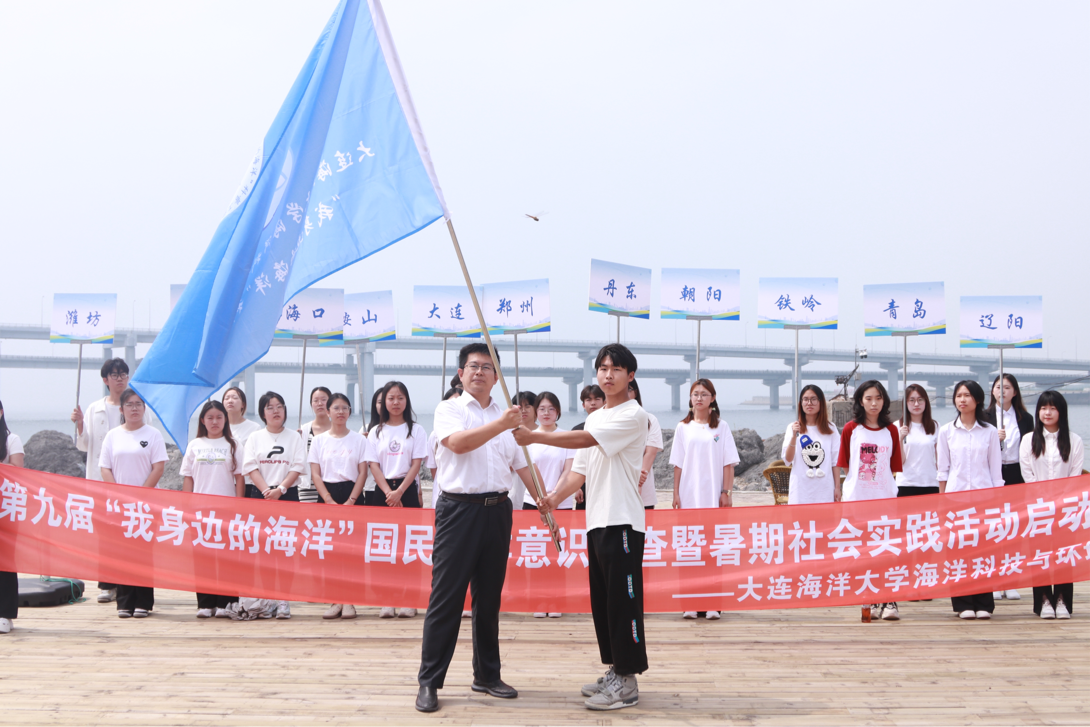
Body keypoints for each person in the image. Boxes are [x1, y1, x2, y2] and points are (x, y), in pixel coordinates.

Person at [517, 343, 649, 711]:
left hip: (623, 521)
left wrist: (534, 435)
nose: (608, 375)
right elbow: (580, 470)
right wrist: (553, 498)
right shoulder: (594, 418)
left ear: (630, 375)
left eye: (616, 369)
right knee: (603, 602)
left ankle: (628, 681)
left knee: (623, 603)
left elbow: (585, 440)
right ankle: (615, 669)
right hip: (597, 520)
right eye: (603, 368)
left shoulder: (634, 414)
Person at [415, 344, 537, 713]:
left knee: (489, 599)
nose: (480, 372)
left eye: (487, 367)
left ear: (496, 376)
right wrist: (502, 425)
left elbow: (522, 465)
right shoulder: (450, 409)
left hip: (498, 510)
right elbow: (458, 444)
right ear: (461, 373)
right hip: (459, 511)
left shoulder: (505, 414)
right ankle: (429, 681)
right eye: (473, 366)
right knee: (447, 598)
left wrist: (544, 500)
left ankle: (487, 675)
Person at [669, 378, 739, 620]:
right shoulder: (682, 427)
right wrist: (675, 492)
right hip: (689, 496)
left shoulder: (722, 427)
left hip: (713, 496)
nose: (699, 398)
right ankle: (690, 603)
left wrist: (726, 492)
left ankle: (712, 604)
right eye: (695, 394)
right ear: (690, 398)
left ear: (713, 398)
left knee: (713, 549)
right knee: (689, 549)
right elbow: (678, 464)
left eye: (704, 394)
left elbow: (728, 463)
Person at [836, 380, 904, 620]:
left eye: (878, 398)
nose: (874, 403)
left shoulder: (891, 431)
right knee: (864, 551)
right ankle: (871, 600)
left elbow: (894, 465)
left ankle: (890, 601)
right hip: (858, 500)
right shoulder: (851, 429)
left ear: (884, 401)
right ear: (860, 401)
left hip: (884, 499)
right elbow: (845, 464)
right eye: (868, 398)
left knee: (886, 550)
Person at [99, 389, 167, 619]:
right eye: (129, 404)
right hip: (119, 505)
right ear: (121, 409)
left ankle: (143, 602)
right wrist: (119, 494)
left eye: (139, 404)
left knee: (143, 553)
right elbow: (105, 468)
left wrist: (141, 494)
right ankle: (124, 602)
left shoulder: (153, 434)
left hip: (146, 505)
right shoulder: (113, 435)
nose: (134, 408)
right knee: (122, 553)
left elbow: (158, 467)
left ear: (144, 408)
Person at [938, 380, 1003, 621]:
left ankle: (984, 602)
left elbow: (996, 472)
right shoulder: (946, 431)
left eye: (967, 395)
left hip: (984, 500)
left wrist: (998, 503)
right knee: (958, 552)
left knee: (984, 552)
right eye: (958, 395)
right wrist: (942, 502)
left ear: (978, 399)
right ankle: (963, 603)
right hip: (955, 500)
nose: (962, 400)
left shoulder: (990, 432)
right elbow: (943, 470)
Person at [1020, 390, 1084, 620]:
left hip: (1066, 509)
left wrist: (1060, 501)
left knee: (1065, 555)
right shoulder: (1029, 440)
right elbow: (1027, 474)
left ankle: (1062, 600)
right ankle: (1044, 600)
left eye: (1052, 408)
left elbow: (1075, 475)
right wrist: (1043, 500)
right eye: (1043, 408)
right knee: (1041, 555)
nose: (1047, 413)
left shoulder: (1074, 440)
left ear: (1061, 412)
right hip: (1038, 508)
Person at [366, 381, 427, 620]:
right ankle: (386, 599)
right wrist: (388, 493)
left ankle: (409, 599)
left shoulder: (416, 430)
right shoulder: (376, 431)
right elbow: (373, 465)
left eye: (400, 398)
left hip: (406, 490)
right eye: (391, 398)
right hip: (382, 491)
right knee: (384, 547)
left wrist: (400, 491)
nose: (395, 402)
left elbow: (416, 464)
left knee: (408, 547)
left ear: (406, 401)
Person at [242, 391, 306, 620]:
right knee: (264, 550)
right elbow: (250, 467)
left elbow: (298, 466)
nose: (275, 411)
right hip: (261, 496)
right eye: (270, 407)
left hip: (287, 496)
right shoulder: (255, 437)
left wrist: (281, 489)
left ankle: (283, 600)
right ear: (263, 413)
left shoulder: (294, 437)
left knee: (285, 550)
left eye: (279, 406)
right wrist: (267, 491)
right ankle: (267, 599)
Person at [71, 357, 129, 603]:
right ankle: (107, 584)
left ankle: (129, 585)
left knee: (128, 532)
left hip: (127, 482)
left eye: (123, 374)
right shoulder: (95, 408)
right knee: (105, 534)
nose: (119, 379)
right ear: (105, 380)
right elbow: (84, 445)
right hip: (100, 480)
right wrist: (80, 425)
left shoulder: (135, 406)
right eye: (114, 375)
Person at [181, 401, 245, 619]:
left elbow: (239, 478)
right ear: (202, 420)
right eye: (210, 417)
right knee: (203, 558)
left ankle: (226, 602)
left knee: (228, 558)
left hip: (227, 511)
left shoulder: (233, 445)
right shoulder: (194, 445)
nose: (215, 421)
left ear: (225, 419)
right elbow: (188, 478)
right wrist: (187, 507)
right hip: (200, 511)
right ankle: (205, 603)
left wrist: (239, 506)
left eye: (219, 417)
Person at [308, 393, 368, 620]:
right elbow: (315, 473)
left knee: (351, 552)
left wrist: (351, 500)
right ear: (328, 411)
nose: (340, 412)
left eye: (345, 408)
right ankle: (335, 600)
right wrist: (328, 499)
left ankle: (350, 600)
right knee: (329, 552)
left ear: (350, 412)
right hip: (327, 496)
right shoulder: (319, 440)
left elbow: (363, 472)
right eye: (336, 408)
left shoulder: (359, 440)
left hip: (352, 494)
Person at [522, 391, 575, 619]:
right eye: (542, 409)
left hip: (561, 501)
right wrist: (541, 498)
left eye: (551, 409)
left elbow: (569, 470)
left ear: (558, 412)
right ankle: (538, 599)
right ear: (536, 412)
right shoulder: (528, 438)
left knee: (557, 552)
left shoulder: (566, 437)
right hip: (532, 501)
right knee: (536, 552)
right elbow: (528, 471)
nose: (546, 413)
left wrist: (554, 496)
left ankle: (556, 600)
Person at [983, 374, 1033, 602]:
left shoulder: (1025, 418)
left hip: (1016, 474)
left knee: (1013, 529)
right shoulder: (984, 417)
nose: (1002, 391)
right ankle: (993, 581)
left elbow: (1031, 449)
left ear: (1015, 392)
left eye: (1007, 387)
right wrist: (994, 437)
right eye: (998, 387)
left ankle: (1011, 580)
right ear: (992, 391)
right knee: (993, 528)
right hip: (992, 474)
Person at [781, 385, 841, 504]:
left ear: (820, 402)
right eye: (805, 399)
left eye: (813, 399)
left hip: (824, 490)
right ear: (801, 403)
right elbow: (787, 460)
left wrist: (837, 487)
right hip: (800, 491)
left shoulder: (831, 428)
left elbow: (835, 461)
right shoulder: (792, 427)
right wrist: (794, 436)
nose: (809, 403)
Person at [0, 400, 23, 634]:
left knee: (5, 562)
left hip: (5, 511)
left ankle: (5, 613)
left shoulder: (11, 440)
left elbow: (18, 473)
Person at [895, 385, 939, 498]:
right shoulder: (897, 426)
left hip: (930, 483)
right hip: (905, 484)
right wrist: (900, 439)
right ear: (905, 403)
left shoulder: (935, 426)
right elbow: (900, 462)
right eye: (912, 400)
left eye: (920, 400)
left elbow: (940, 459)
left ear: (926, 402)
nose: (916, 404)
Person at [627, 380, 663, 511]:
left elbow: (650, 452)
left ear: (635, 393)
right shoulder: (607, 420)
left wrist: (639, 480)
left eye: (629, 390)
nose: (624, 394)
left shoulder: (650, 419)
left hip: (644, 490)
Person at [297, 386, 333, 503]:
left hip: (332, 485)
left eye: (324, 399)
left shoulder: (338, 429)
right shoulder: (303, 431)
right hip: (308, 486)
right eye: (315, 400)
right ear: (311, 404)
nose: (319, 403)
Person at [572, 384, 605, 511]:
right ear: (583, 405)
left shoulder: (610, 427)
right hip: (583, 484)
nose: (593, 403)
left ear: (604, 402)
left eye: (597, 399)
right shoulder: (577, 430)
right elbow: (573, 461)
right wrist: (576, 487)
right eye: (588, 400)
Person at [509, 390, 537, 509]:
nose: (524, 410)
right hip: (515, 489)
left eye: (528, 406)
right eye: (520, 407)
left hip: (540, 488)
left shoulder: (544, 434)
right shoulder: (508, 434)